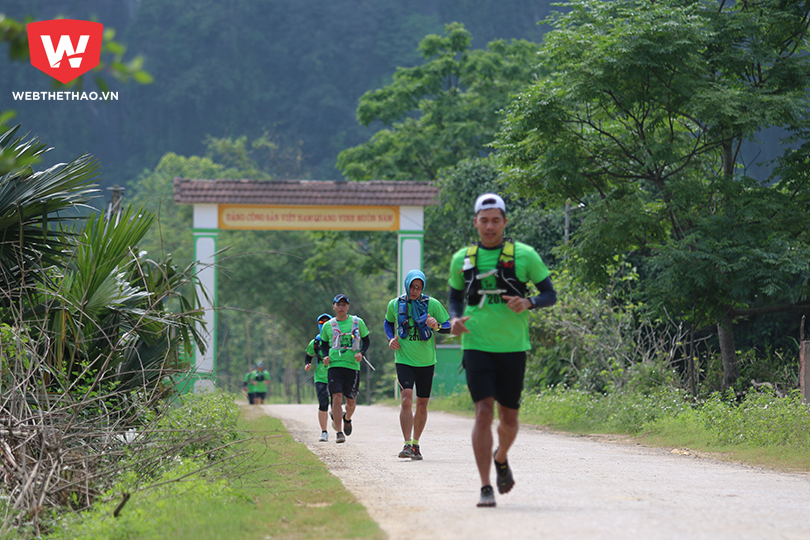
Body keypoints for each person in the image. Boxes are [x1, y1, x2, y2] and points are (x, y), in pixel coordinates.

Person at [447, 193, 557, 508]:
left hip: (512, 348)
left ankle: (502, 456)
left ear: (505, 222)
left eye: (496, 220)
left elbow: (550, 293)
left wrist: (529, 301)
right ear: (475, 223)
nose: (490, 226)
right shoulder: (462, 259)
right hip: (477, 345)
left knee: (508, 418)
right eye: (484, 220)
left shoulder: (525, 256)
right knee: (483, 412)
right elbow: (455, 298)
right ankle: (485, 487)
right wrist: (454, 319)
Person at [384, 269, 450, 460]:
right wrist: (390, 339)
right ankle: (406, 444)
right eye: (412, 287)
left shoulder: (432, 304)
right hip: (404, 359)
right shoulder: (395, 304)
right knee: (406, 399)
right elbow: (388, 323)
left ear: (423, 288)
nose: (415, 291)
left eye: (418, 287)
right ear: (406, 285)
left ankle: (415, 444)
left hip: (426, 361)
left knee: (422, 404)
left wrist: (435, 325)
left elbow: (448, 326)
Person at [320, 294, 370, 444]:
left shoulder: (357, 322)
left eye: (344, 304)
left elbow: (366, 340)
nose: (341, 307)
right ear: (333, 307)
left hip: (352, 366)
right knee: (336, 398)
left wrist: (361, 353)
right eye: (338, 304)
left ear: (348, 306)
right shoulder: (328, 325)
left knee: (351, 402)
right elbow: (323, 343)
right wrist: (325, 356)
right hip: (335, 366)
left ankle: (346, 418)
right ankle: (339, 432)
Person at [305, 313, 333, 442]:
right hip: (321, 376)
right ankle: (324, 431)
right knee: (323, 403)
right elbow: (309, 355)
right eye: (322, 324)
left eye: (327, 323)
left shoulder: (337, 339)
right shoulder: (315, 342)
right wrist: (307, 364)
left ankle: (338, 419)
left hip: (335, 374)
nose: (324, 326)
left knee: (336, 403)